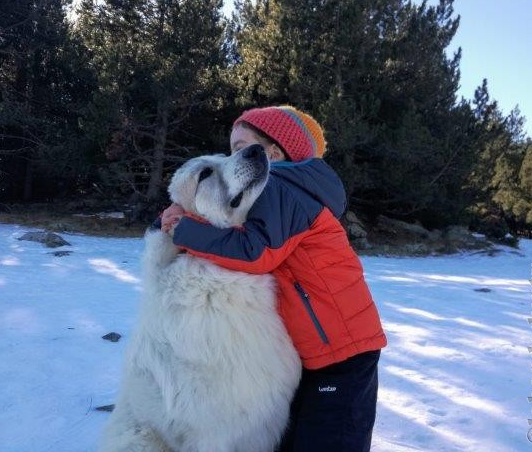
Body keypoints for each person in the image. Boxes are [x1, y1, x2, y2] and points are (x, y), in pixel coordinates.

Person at [155, 105, 387, 451]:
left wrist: (184, 229)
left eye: (241, 148)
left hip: (342, 353)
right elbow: (231, 225)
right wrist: (185, 213)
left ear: (274, 153)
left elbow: (253, 251)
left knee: (331, 440)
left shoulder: (283, 188)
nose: (234, 158)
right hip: (323, 350)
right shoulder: (291, 191)